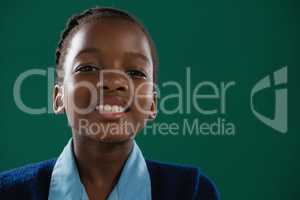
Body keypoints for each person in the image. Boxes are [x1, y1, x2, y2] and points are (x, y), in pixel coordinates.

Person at [0, 7, 220, 200]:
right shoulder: (8, 192)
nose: (113, 82)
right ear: (58, 98)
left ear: (152, 103)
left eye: (135, 72)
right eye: (87, 68)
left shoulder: (191, 191)